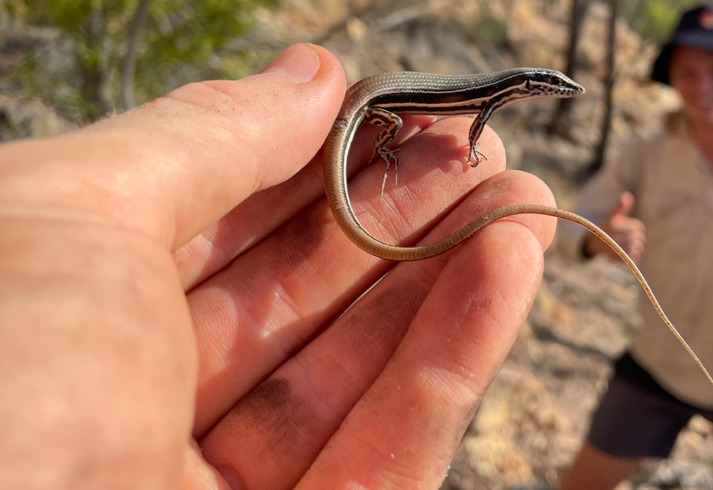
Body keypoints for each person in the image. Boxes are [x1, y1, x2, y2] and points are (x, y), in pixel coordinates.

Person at [0, 44, 559, 490]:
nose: (556, 92)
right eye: (552, 85)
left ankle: (381, 145)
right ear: (529, 86)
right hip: (372, 106)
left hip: (380, 101)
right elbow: (474, 129)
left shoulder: (491, 91)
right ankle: (381, 144)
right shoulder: (490, 98)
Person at [559, 5, 713, 490]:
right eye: (687, 70)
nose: (702, 85)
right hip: (658, 365)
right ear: (670, 73)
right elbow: (568, 228)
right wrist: (596, 240)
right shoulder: (645, 153)